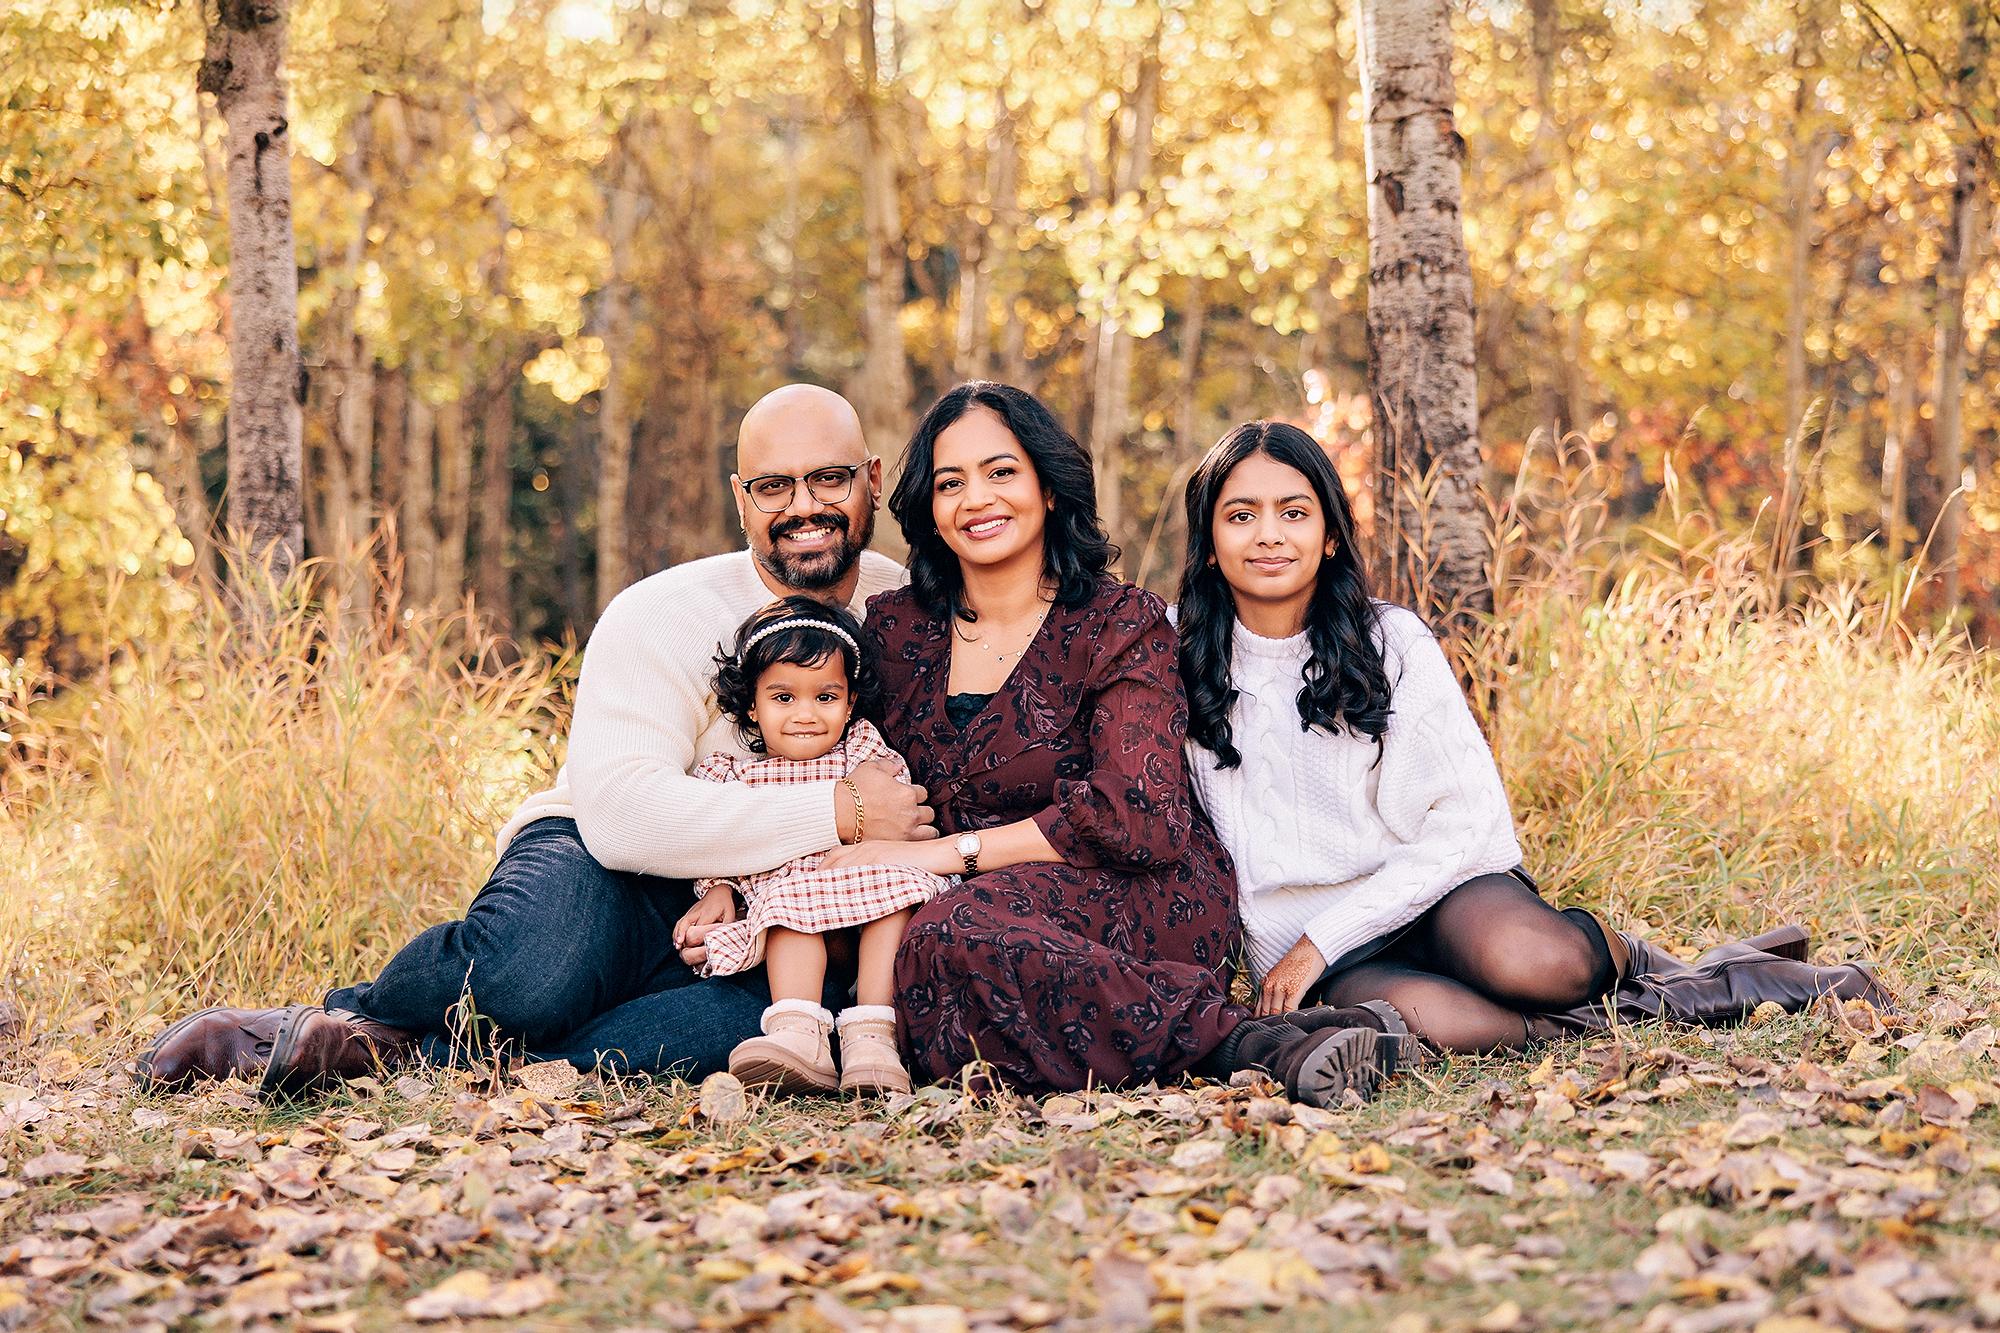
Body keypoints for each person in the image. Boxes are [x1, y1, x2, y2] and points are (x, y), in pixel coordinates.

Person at [135, 385, 935, 1099]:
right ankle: (349, 1019)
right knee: (533, 975)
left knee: (678, 1043)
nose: (805, 505)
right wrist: (842, 810)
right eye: (774, 485)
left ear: (869, 477)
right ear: (741, 497)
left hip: (786, 909)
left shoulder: (904, 611)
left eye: (829, 478)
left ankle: (417, 1052)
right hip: (611, 867)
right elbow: (623, 817)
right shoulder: (659, 611)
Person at [1173, 420, 1893, 1053]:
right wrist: (1308, 947)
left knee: (1538, 963)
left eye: (1293, 512)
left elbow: (1468, 821)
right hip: (1331, 948)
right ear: (1209, 540)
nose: (1268, 534)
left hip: (1438, 894)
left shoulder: (1389, 642)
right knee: (1438, 1020)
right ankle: (1724, 981)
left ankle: (1648, 963)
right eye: (1241, 515)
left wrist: (1314, 945)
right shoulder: (1171, 653)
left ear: (1329, 535)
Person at [821, 382, 1414, 1107]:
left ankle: (1250, 1043)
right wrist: (727, 887)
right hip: (956, 910)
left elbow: (1139, 813)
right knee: (928, 972)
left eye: (1001, 472)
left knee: (952, 938)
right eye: (952, 482)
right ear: (929, 506)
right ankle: (1321, 1033)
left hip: (1137, 888)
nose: (977, 498)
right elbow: (817, 758)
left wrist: (949, 854)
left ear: (1047, 486)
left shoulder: (1118, 619)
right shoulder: (892, 629)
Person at [682, 597, 946, 1095]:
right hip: (794, 908)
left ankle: (874, 1035)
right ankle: (799, 1034)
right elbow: (712, 841)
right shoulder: (734, 772)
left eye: (826, 697)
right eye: (783, 698)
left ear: (849, 704)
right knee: (787, 905)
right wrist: (718, 890)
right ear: (752, 707)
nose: (806, 714)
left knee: (897, 893)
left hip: (865, 888)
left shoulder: (863, 751)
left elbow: (897, 811)